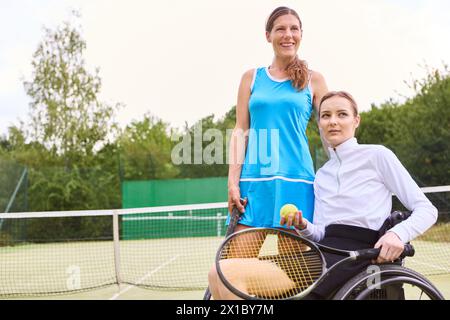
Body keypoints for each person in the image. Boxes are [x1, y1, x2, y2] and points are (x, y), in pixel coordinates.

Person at [209, 90, 438, 300]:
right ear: (320, 123)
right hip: (322, 255)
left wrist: (398, 234)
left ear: (356, 121)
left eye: (342, 114)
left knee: (227, 274)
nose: (333, 121)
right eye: (326, 116)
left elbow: (427, 210)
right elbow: (320, 232)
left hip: (356, 257)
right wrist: (303, 225)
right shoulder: (322, 175)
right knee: (218, 273)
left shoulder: (378, 156)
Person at [227, 5, 328, 234]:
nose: (288, 35)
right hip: (254, 183)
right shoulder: (251, 78)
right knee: (232, 268)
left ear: (301, 34)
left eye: (294, 29)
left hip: (297, 181)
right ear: (268, 36)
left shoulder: (316, 80)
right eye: (280, 29)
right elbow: (240, 130)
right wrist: (233, 182)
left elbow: (330, 133)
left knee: (293, 268)